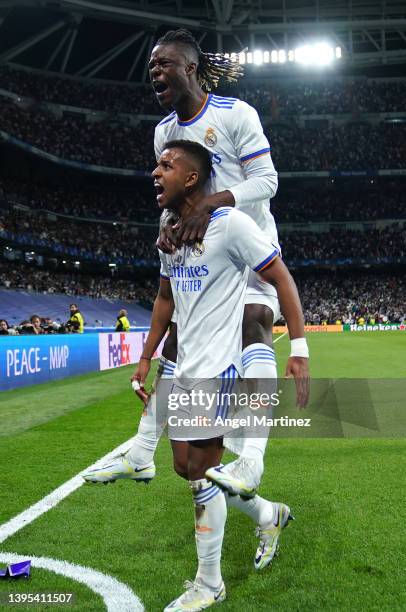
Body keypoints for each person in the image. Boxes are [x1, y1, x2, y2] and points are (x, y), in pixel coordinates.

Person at [85, 28, 290, 497]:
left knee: (255, 321)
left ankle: (251, 462)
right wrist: (166, 220)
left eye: (165, 64)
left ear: (191, 69)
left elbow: (268, 181)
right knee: (176, 343)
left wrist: (210, 205)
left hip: (248, 246)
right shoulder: (164, 132)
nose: (155, 72)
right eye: (152, 66)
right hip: (199, 257)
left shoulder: (236, 114)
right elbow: (172, 192)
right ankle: (139, 455)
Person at [146, 140, 309, 610]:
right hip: (191, 358)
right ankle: (267, 513)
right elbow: (166, 295)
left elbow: (279, 273)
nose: (155, 172)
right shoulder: (168, 222)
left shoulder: (232, 221)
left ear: (194, 178)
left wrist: (300, 348)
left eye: (166, 166)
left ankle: (210, 581)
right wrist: (150, 355)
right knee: (186, 467)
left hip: (219, 359)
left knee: (201, 469)